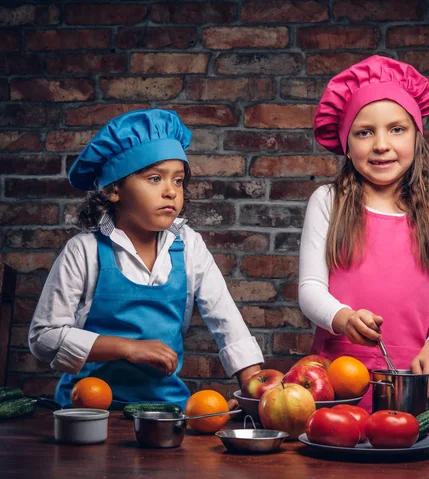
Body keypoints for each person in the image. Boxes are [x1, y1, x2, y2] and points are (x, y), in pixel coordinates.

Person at [28, 109, 263, 409]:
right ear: (115, 189)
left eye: (178, 181)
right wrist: (126, 348)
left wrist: (255, 386)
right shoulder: (83, 251)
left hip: (163, 412)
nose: (170, 192)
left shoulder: (189, 246)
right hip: (87, 411)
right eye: (155, 178)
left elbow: (226, 321)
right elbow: (43, 338)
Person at [299, 55, 429, 412]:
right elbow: (310, 290)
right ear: (346, 143)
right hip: (335, 383)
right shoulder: (328, 202)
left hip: (411, 383)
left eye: (396, 129)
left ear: (417, 135)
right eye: (364, 132)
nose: (381, 144)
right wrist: (343, 318)